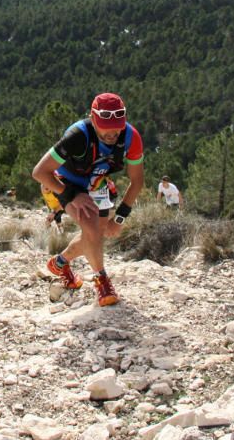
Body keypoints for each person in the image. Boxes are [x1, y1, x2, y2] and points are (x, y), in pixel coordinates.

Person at [32, 93, 145, 307]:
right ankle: (102, 283)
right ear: (93, 120)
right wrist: (72, 194)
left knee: (95, 235)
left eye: (117, 127)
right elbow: (39, 172)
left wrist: (119, 219)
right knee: (93, 231)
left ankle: (60, 263)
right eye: (105, 127)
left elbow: (137, 181)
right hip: (67, 184)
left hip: (97, 183)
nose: (112, 133)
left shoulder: (131, 137)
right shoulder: (78, 135)